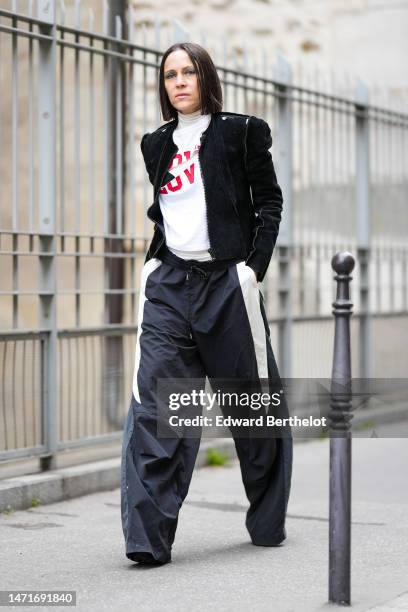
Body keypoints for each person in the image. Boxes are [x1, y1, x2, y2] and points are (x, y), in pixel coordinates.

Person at [121, 42, 293, 566]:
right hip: (171, 285)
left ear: (205, 77)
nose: (178, 81)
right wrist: (154, 266)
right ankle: (148, 540)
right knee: (158, 406)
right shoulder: (156, 143)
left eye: (188, 72)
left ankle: (267, 520)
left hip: (227, 284)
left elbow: (269, 202)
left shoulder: (241, 131)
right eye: (170, 74)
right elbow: (165, 212)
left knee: (251, 407)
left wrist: (251, 269)